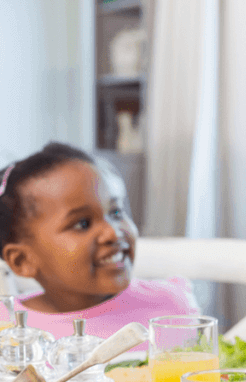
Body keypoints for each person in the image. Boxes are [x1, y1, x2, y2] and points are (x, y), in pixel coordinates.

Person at [0, 142, 199, 339]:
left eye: (116, 212)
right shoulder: (7, 327)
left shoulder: (170, 307)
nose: (112, 233)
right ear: (22, 261)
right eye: (82, 224)